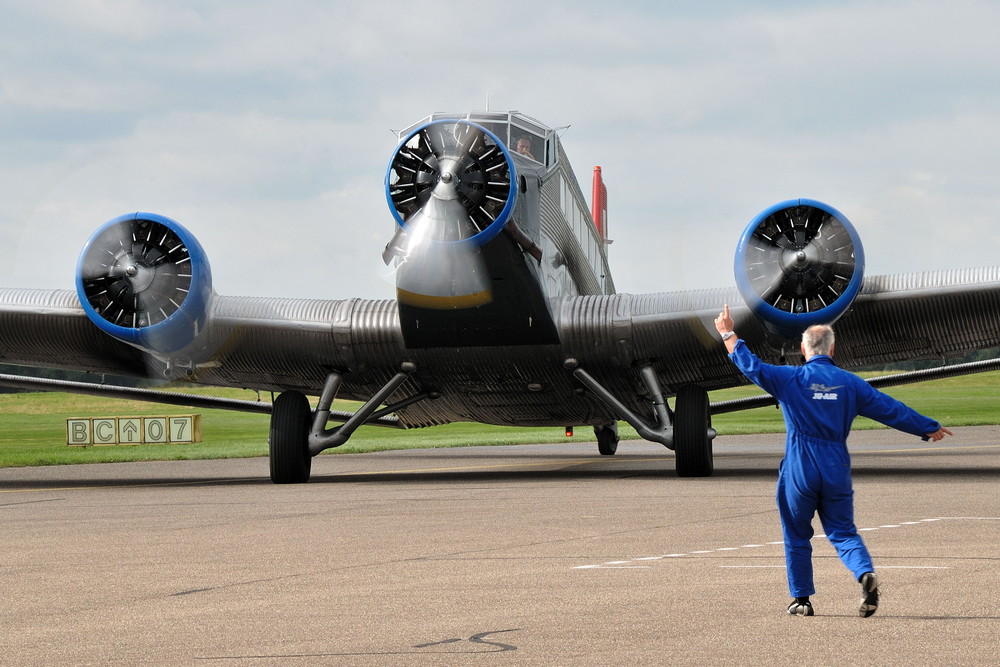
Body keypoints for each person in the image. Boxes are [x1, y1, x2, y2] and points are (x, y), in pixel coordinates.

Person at [713, 304, 952, 617]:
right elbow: (889, 409)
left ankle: (802, 599)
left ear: (803, 349)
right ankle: (864, 573)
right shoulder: (850, 384)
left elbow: (752, 366)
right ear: (832, 348)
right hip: (835, 464)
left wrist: (728, 333)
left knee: (797, 534)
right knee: (843, 532)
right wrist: (928, 427)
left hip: (800, 465)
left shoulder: (790, 379)